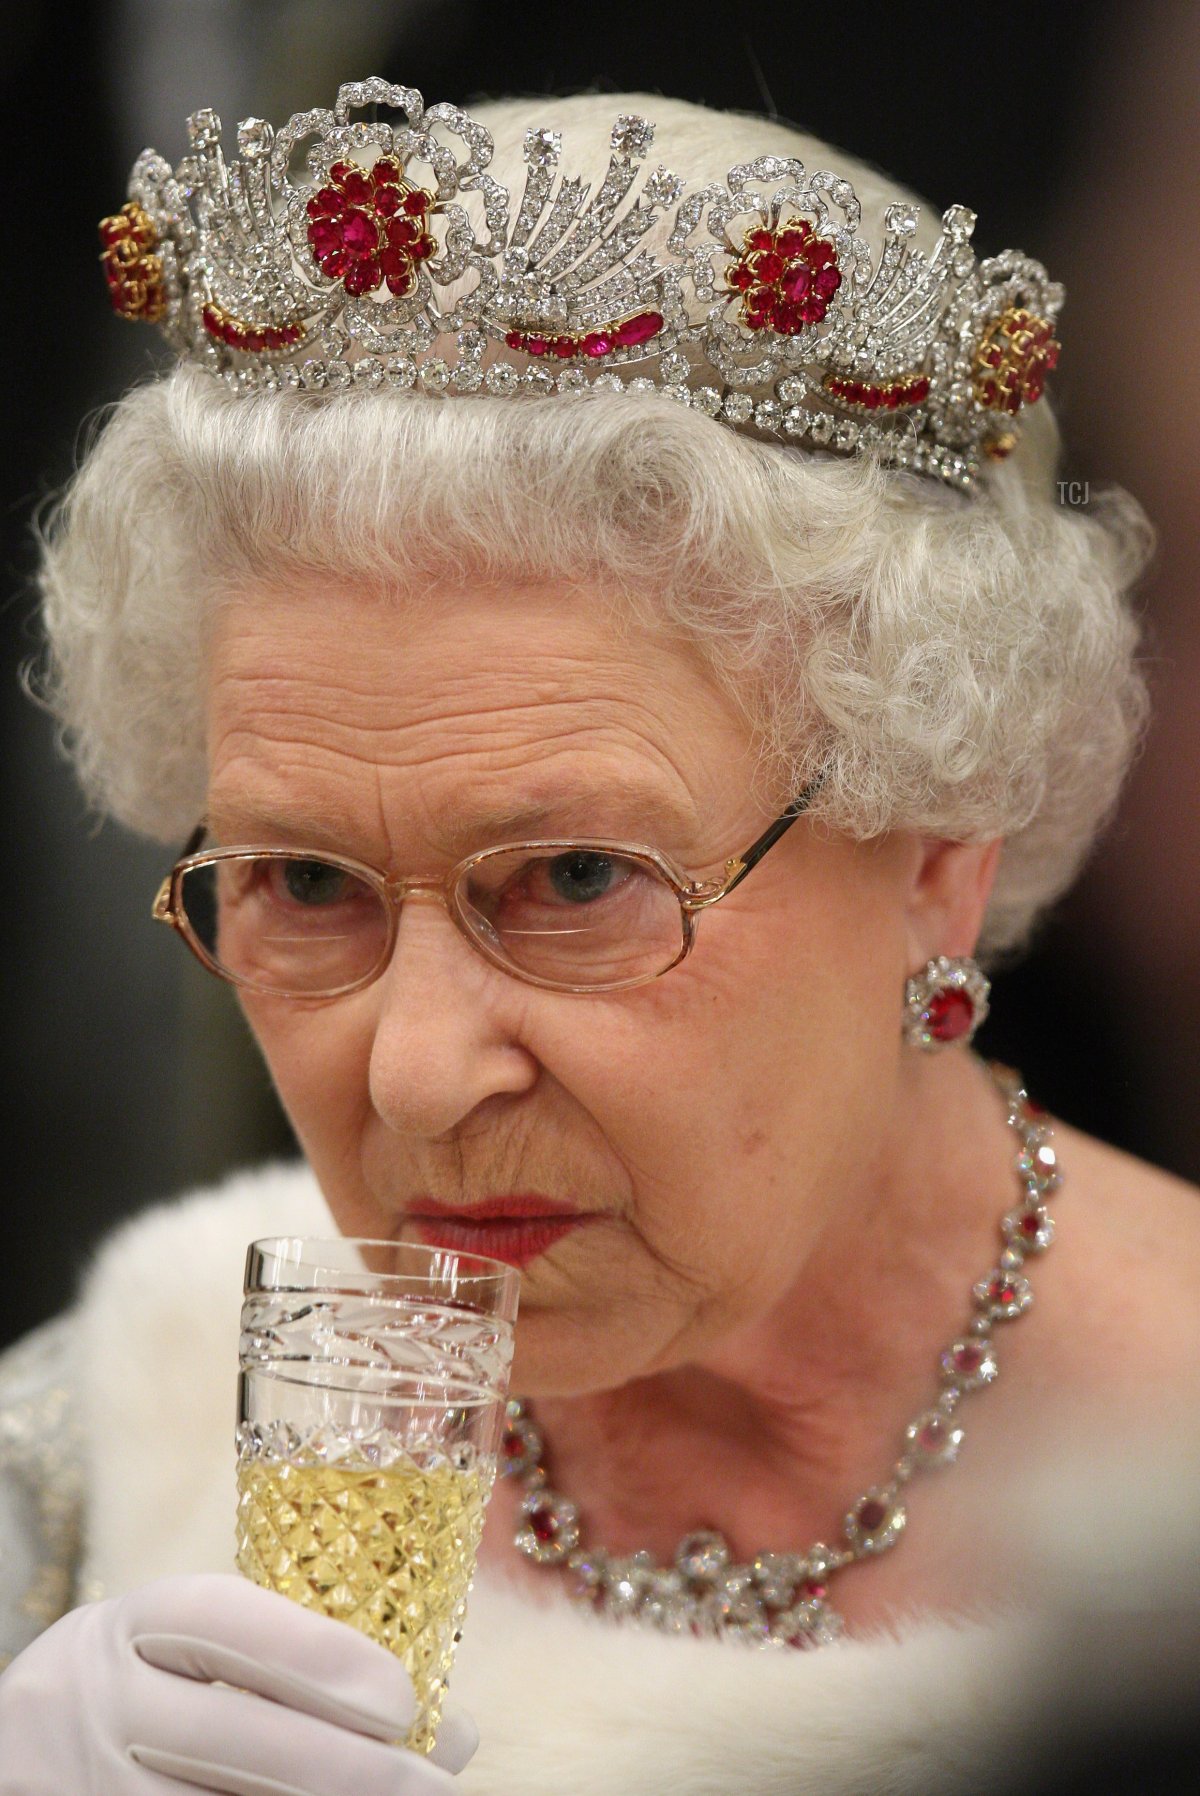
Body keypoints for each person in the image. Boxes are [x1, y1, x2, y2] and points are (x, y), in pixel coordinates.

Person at [2, 79, 1198, 1795]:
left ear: (941, 842)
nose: (412, 1074)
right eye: (307, 884)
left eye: (571, 881)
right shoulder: (123, 1428)